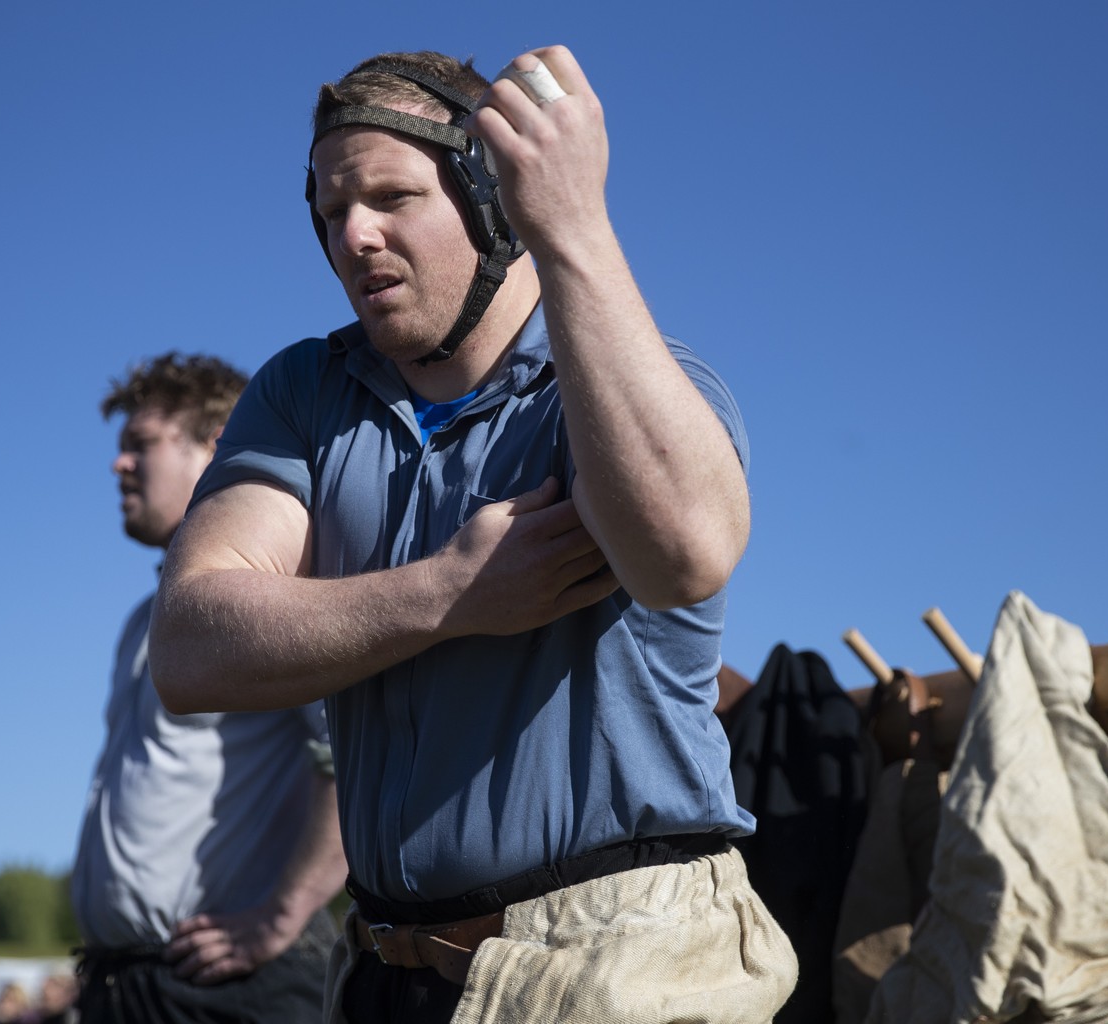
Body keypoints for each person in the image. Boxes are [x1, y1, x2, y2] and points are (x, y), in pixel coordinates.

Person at [150, 47, 798, 1023]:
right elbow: (191, 645)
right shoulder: (305, 394)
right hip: (382, 970)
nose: (353, 234)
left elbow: (685, 551)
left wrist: (571, 222)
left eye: (391, 196)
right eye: (329, 212)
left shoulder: (636, 389)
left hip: (622, 963)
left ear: (496, 201)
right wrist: (449, 592)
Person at [71, 353, 347, 1023]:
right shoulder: (146, 620)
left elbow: (351, 754)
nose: (119, 464)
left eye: (141, 444)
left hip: (229, 989)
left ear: (216, 448)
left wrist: (283, 915)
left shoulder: (271, 595)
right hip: (130, 989)